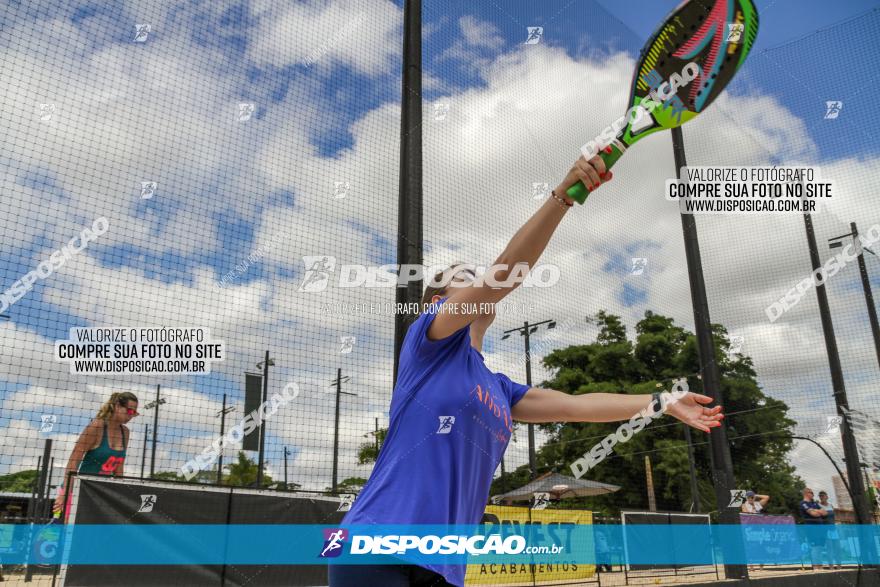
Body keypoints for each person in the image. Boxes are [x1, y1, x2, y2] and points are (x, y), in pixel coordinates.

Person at [330, 154, 725, 587]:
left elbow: (576, 407)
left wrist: (663, 402)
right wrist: (562, 197)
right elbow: (502, 279)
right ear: (436, 301)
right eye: (466, 279)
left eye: (476, 276)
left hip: (442, 564)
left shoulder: (499, 389)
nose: (478, 281)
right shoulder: (427, 340)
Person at [53, 392, 139, 518]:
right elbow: (74, 460)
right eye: (130, 411)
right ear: (117, 406)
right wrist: (64, 493)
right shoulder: (97, 426)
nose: (131, 416)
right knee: (70, 535)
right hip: (78, 490)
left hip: (100, 493)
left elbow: (119, 468)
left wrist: (121, 495)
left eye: (134, 413)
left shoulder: (125, 432)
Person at [798, 487, 827, 569]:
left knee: (820, 547)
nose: (813, 494)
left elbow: (824, 513)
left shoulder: (814, 503)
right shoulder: (803, 503)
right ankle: (815, 567)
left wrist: (815, 510)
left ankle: (820, 566)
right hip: (811, 528)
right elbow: (814, 514)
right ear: (806, 493)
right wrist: (817, 511)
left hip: (820, 527)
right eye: (811, 493)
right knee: (815, 547)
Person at [818, 490, 842, 569]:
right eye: (820, 496)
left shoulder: (831, 506)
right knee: (830, 548)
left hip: (834, 529)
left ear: (827, 497)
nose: (822, 497)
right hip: (826, 530)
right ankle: (831, 566)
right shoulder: (819, 506)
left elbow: (834, 517)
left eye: (823, 495)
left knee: (837, 548)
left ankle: (839, 565)